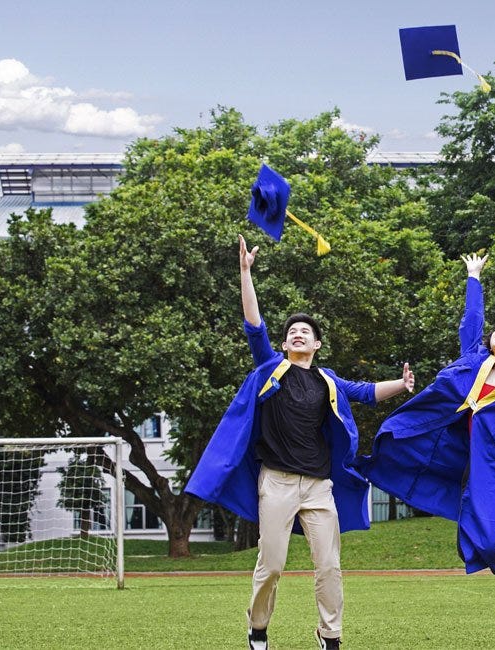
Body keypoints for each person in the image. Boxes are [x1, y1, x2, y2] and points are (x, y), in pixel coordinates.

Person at [186, 235, 415, 650]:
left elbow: (364, 391)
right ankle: (258, 628)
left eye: (305, 332)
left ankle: (331, 636)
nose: (297, 334)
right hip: (275, 482)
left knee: (328, 565)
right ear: (285, 342)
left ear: (316, 344)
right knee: (271, 564)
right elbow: (254, 325)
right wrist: (245, 273)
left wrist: (402, 384)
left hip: (319, 486)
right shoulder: (272, 369)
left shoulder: (328, 380)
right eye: (292, 331)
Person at [356, 253, 495, 594]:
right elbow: (471, 322)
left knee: (494, 543)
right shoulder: (474, 364)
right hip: (479, 469)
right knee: (475, 536)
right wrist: (473, 276)